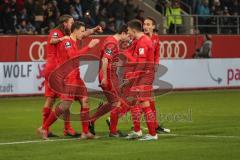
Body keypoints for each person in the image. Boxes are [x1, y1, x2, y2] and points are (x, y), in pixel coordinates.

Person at [37, 21, 100, 140]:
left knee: (85, 101)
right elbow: (73, 56)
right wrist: (89, 47)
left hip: (76, 76)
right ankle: (44, 128)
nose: (83, 34)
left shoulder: (74, 41)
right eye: (82, 31)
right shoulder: (67, 42)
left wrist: (93, 31)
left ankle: (85, 132)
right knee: (65, 105)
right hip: (67, 78)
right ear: (75, 31)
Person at [41, 14, 77, 138]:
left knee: (53, 99)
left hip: (55, 69)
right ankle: (61, 128)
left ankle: (47, 128)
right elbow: (52, 40)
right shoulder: (56, 32)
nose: (73, 24)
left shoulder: (65, 34)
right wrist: (63, 39)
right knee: (65, 100)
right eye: (71, 22)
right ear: (64, 23)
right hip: (54, 69)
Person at [124, 19, 158, 141]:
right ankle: (137, 131)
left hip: (144, 76)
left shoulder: (143, 42)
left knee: (144, 103)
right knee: (134, 102)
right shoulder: (139, 41)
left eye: (128, 31)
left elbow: (142, 63)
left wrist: (132, 76)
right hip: (141, 75)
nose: (128, 33)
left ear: (133, 30)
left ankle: (153, 134)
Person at [98, 24, 129, 137]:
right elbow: (105, 59)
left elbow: (108, 59)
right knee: (117, 103)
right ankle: (113, 131)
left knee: (113, 103)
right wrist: (105, 78)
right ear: (123, 33)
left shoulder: (110, 40)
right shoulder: (112, 43)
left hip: (110, 74)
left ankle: (91, 120)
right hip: (108, 76)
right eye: (128, 36)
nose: (129, 38)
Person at [143, 17, 171, 134]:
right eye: (144, 24)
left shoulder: (155, 38)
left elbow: (157, 54)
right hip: (141, 74)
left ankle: (154, 125)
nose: (145, 26)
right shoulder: (141, 39)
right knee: (141, 101)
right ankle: (151, 127)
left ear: (153, 27)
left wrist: (156, 65)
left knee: (149, 100)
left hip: (149, 73)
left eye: (148, 24)